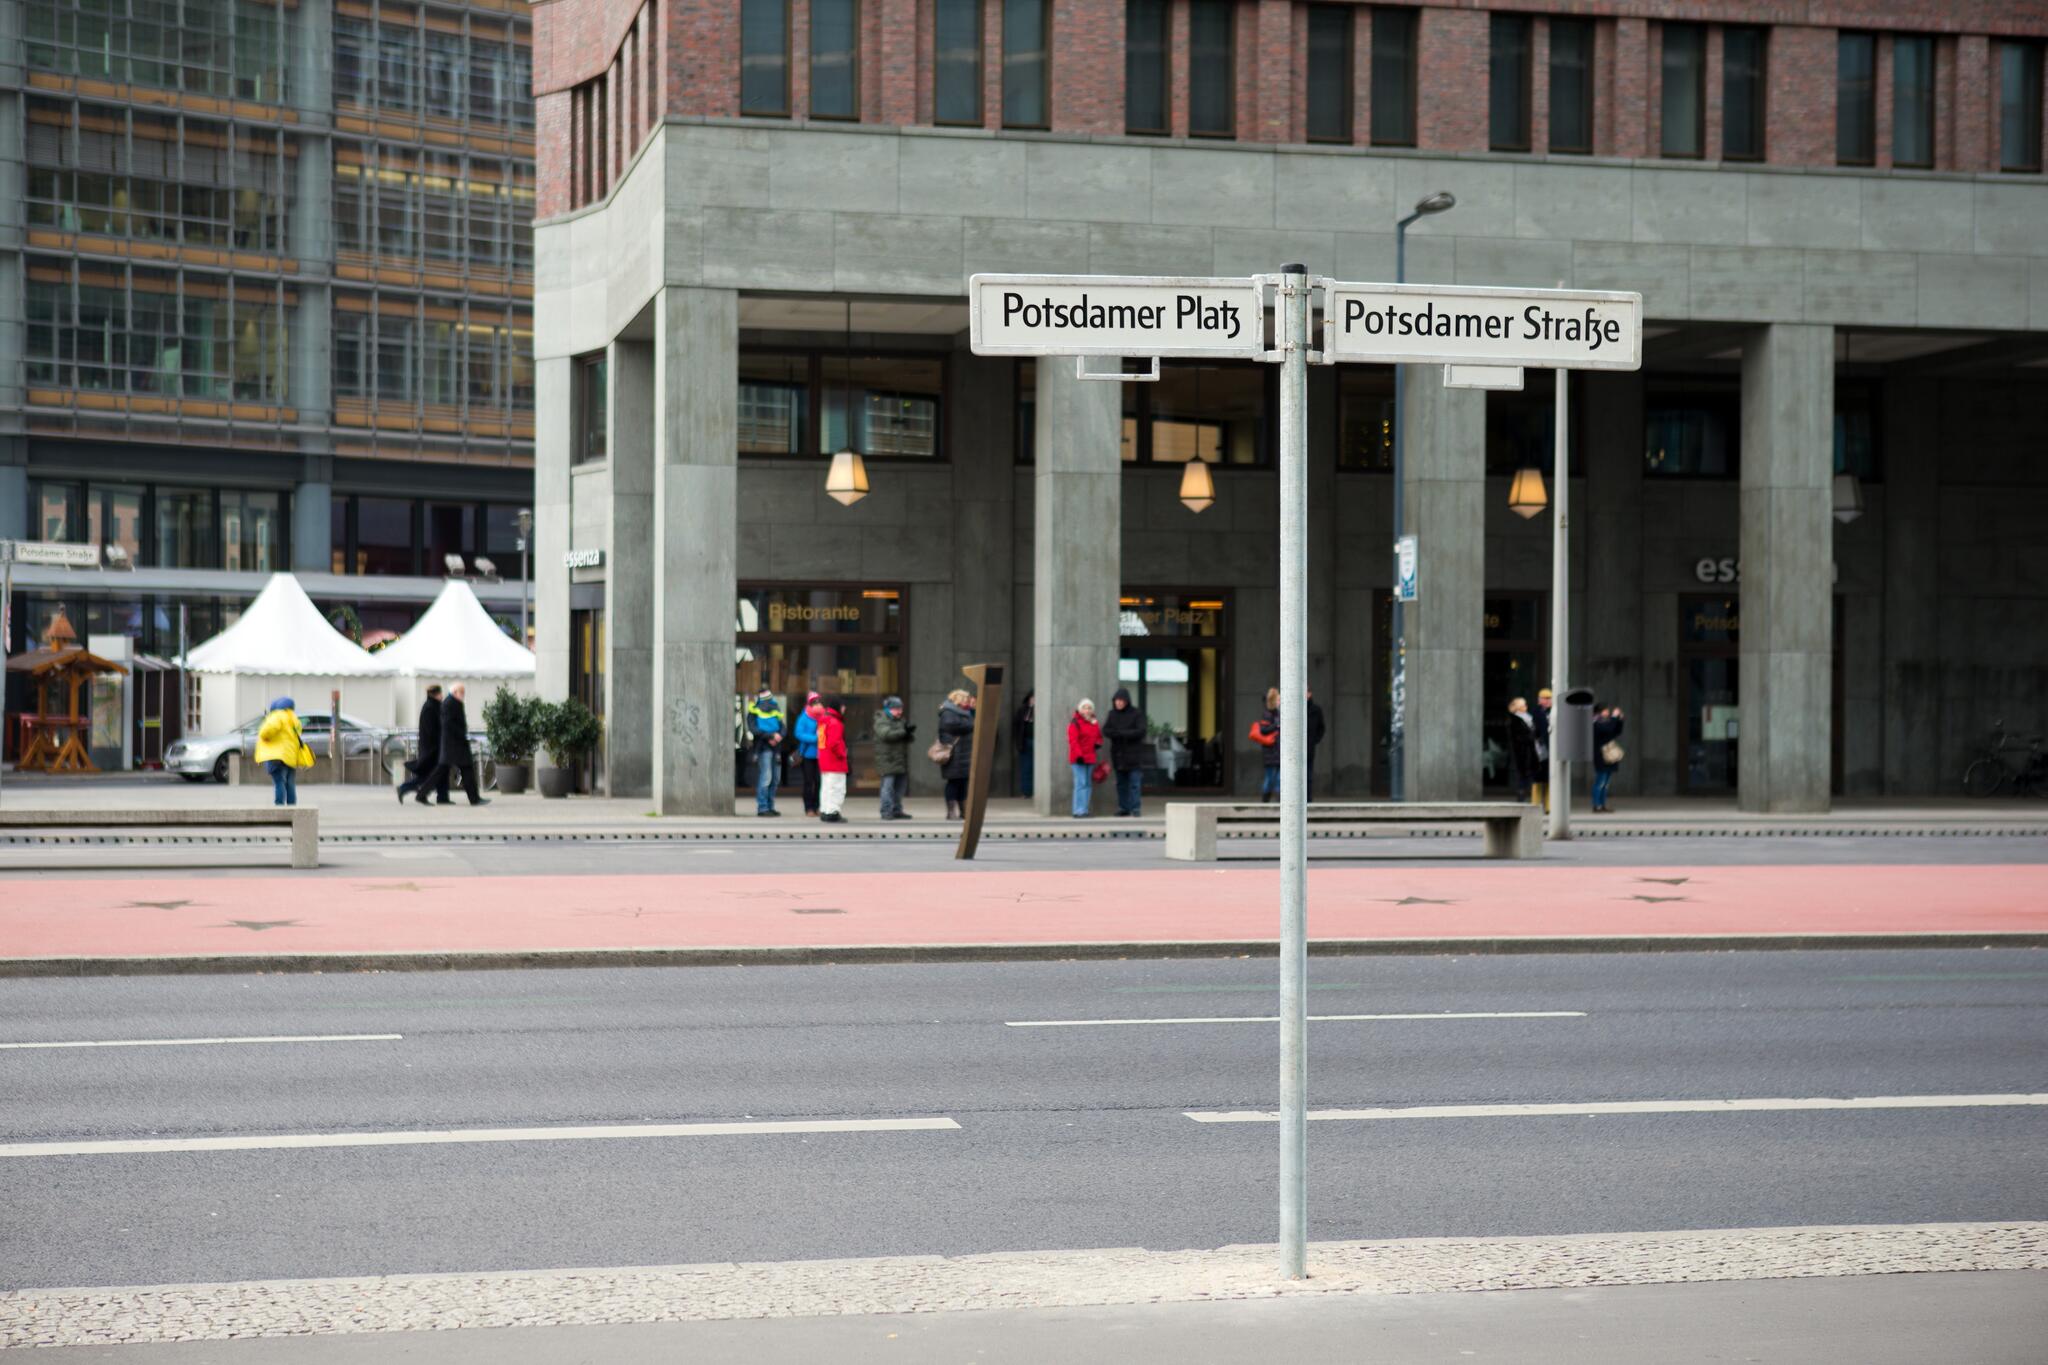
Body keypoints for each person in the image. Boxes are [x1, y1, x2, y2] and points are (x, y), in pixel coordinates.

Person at [420, 683, 489, 806]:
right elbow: (448, 724)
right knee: (446, 771)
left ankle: (474, 798)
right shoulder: (449, 703)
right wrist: (462, 734)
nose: (463, 695)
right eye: (461, 692)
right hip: (453, 745)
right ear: (455, 691)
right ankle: (422, 794)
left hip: (454, 745)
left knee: (463, 770)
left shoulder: (452, 702)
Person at [253, 696, 311, 807]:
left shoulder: (278, 716)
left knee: (279, 781)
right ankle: (292, 807)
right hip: (290, 756)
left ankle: (279, 807)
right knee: (290, 783)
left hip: (277, 756)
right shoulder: (294, 719)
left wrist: (265, 737)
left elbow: (266, 731)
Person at [1101, 687, 1148, 817]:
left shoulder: (1137, 714)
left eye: (1121, 700)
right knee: (1121, 784)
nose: (1119, 703)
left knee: (1134, 784)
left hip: (1134, 756)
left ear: (1127, 701)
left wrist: (1121, 733)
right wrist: (1120, 734)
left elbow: (1141, 731)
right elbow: (1106, 730)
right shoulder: (1112, 714)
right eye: (1117, 701)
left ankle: (1135, 808)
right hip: (1118, 755)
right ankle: (1124, 807)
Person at [396, 685, 446, 804]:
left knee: (434, 773)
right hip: (431, 748)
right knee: (430, 774)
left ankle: (441, 797)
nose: (442, 696)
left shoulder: (432, 706)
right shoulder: (430, 707)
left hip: (431, 747)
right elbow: (432, 730)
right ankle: (406, 788)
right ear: (436, 694)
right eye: (440, 693)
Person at [745, 686, 785, 817]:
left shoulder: (775, 710)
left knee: (775, 779)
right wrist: (772, 736)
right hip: (763, 749)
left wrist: (778, 736)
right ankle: (763, 808)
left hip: (776, 749)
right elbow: (754, 729)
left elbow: (783, 728)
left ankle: (770, 806)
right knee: (766, 778)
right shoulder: (753, 712)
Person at [937, 689, 976, 819]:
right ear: (958, 700)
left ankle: (963, 810)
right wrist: (971, 724)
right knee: (953, 782)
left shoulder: (964, 712)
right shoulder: (948, 712)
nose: (968, 702)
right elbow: (952, 726)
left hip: (965, 752)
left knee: (963, 783)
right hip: (954, 754)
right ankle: (951, 811)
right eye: (966, 699)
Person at [874, 695, 914, 820]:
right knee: (888, 787)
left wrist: (908, 735)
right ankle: (886, 811)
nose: (899, 711)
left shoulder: (900, 720)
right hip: (888, 759)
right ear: (888, 709)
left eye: (901, 709)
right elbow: (886, 734)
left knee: (900, 787)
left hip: (899, 759)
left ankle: (897, 810)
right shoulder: (881, 720)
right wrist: (904, 732)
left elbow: (902, 737)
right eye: (896, 709)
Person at [1067, 698, 1101, 818]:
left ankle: (1084, 809)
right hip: (1079, 759)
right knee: (1080, 784)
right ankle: (1078, 810)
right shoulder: (1075, 723)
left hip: (1090, 757)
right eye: (1085, 707)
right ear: (1080, 709)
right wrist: (1079, 756)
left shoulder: (1094, 723)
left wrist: (1098, 743)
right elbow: (1073, 741)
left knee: (1087, 784)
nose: (1087, 710)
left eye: (1089, 708)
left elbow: (1098, 736)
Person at [816, 699, 849, 823]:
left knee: (826, 787)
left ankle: (825, 810)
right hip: (834, 761)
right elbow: (835, 743)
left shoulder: (823, 721)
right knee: (836, 788)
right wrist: (843, 754)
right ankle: (832, 812)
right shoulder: (835, 723)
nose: (844, 709)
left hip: (825, 759)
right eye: (843, 706)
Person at [1592, 704, 1626, 813]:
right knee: (1600, 782)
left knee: (1606, 783)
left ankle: (1602, 805)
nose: (1607, 713)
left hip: (1608, 755)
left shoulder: (1607, 722)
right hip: (1601, 755)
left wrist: (1619, 720)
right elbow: (1607, 729)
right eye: (1605, 711)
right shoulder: (1595, 723)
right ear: (1599, 712)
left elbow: (1616, 731)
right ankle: (1596, 805)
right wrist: (1614, 718)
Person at [794, 693, 823, 817]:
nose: (819, 705)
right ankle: (808, 808)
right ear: (810, 705)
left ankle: (817, 807)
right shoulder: (804, 717)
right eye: (815, 703)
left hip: (820, 754)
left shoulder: (823, 716)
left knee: (819, 782)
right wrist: (815, 738)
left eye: (819, 702)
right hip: (807, 755)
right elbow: (798, 734)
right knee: (808, 782)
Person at [1250, 687, 1281, 802]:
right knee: (1270, 778)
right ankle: (1265, 801)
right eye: (1278, 699)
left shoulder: (1279, 713)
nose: (1280, 701)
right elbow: (1263, 730)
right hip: (1270, 751)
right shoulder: (1267, 714)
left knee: (1279, 778)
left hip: (1278, 751)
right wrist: (1276, 725)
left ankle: (1279, 801)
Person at [1507, 696, 1540, 804]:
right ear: (1518, 707)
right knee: (1522, 774)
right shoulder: (1515, 720)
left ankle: (1527, 795)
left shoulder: (1528, 717)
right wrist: (1530, 736)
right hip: (1521, 751)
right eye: (1523, 705)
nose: (1526, 706)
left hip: (1529, 750)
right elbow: (1517, 737)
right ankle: (1521, 796)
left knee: (1529, 773)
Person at [1531, 687, 1554, 813]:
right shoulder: (1536, 712)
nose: (1547, 701)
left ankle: (1548, 806)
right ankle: (1535, 805)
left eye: (1549, 698)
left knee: (1549, 779)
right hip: (1539, 749)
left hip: (1551, 748)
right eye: (1545, 698)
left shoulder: (1553, 711)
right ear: (1540, 700)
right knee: (1537, 779)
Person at [1304, 688, 1327, 797]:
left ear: (1309, 693)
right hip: (1295, 749)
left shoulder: (1316, 710)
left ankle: (1308, 799)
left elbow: (1321, 728)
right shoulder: (1296, 708)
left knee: (1308, 776)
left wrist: (1315, 740)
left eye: (1306, 691)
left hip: (1309, 748)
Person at [1013, 691, 1036, 799]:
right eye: (1032, 698)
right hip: (1026, 742)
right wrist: (1018, 742)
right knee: (1026, 767)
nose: (1034, 700)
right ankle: (1027, 792)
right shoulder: (1022, 710)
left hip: (1039, 743)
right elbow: (1016, 727)